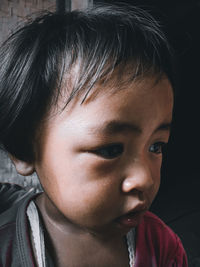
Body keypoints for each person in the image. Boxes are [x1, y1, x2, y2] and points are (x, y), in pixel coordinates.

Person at [0, 3, 188, 267]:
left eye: (156, 146)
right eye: (111, 150)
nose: (144, 179)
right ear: (24, 148)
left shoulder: (164, 248)